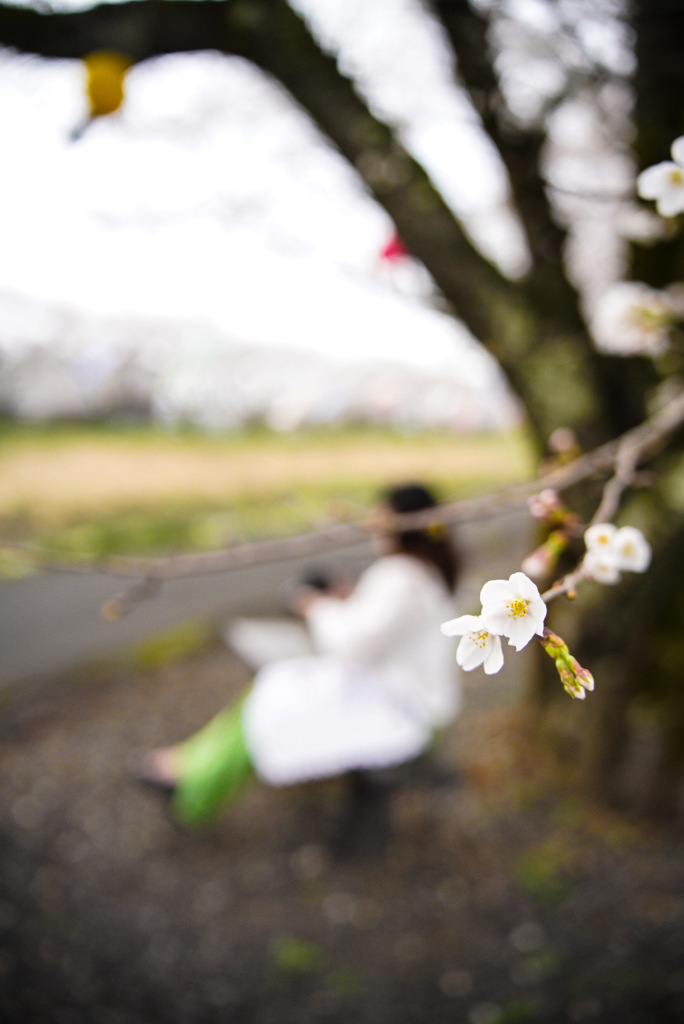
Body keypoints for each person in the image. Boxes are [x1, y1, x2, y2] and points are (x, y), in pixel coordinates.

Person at [131, 483, 462, 827]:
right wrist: (348, 600)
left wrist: (316, 606)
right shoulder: (420, 570)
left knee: (274, 704)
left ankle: (194, 788)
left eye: (381, 519)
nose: (374, 528)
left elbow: (353, 645)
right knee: (273, 692)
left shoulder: (402, 576)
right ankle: (190, 764)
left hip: (403, 711)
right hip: (396, 695)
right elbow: (381, 627)